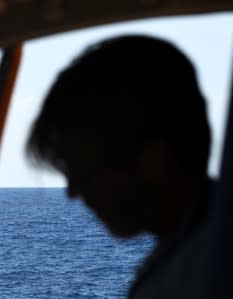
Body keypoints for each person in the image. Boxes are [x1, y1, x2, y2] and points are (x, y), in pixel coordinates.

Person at [25, 35, 213, 298]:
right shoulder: (195, 247)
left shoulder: (206, 273)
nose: (73, 192)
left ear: (154, 159)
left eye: (85, 171)